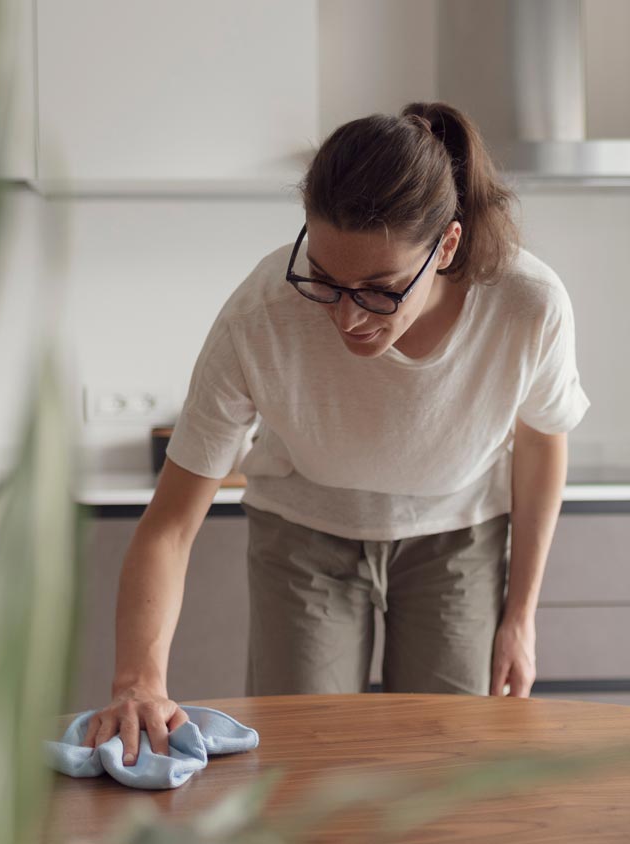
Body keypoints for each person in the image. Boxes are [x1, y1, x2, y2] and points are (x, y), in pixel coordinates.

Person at [84, 102, 589, 766]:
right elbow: (171, 523)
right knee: (302, 763)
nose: (347, 317)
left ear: (446, 246)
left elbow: (542, 442)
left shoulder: (528, 306)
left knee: (444, 764)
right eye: (324, 279)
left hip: (456, 541)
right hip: (304, 535)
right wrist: (137, 681)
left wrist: (520, 617)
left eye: (379, 290)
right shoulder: (261, 316)